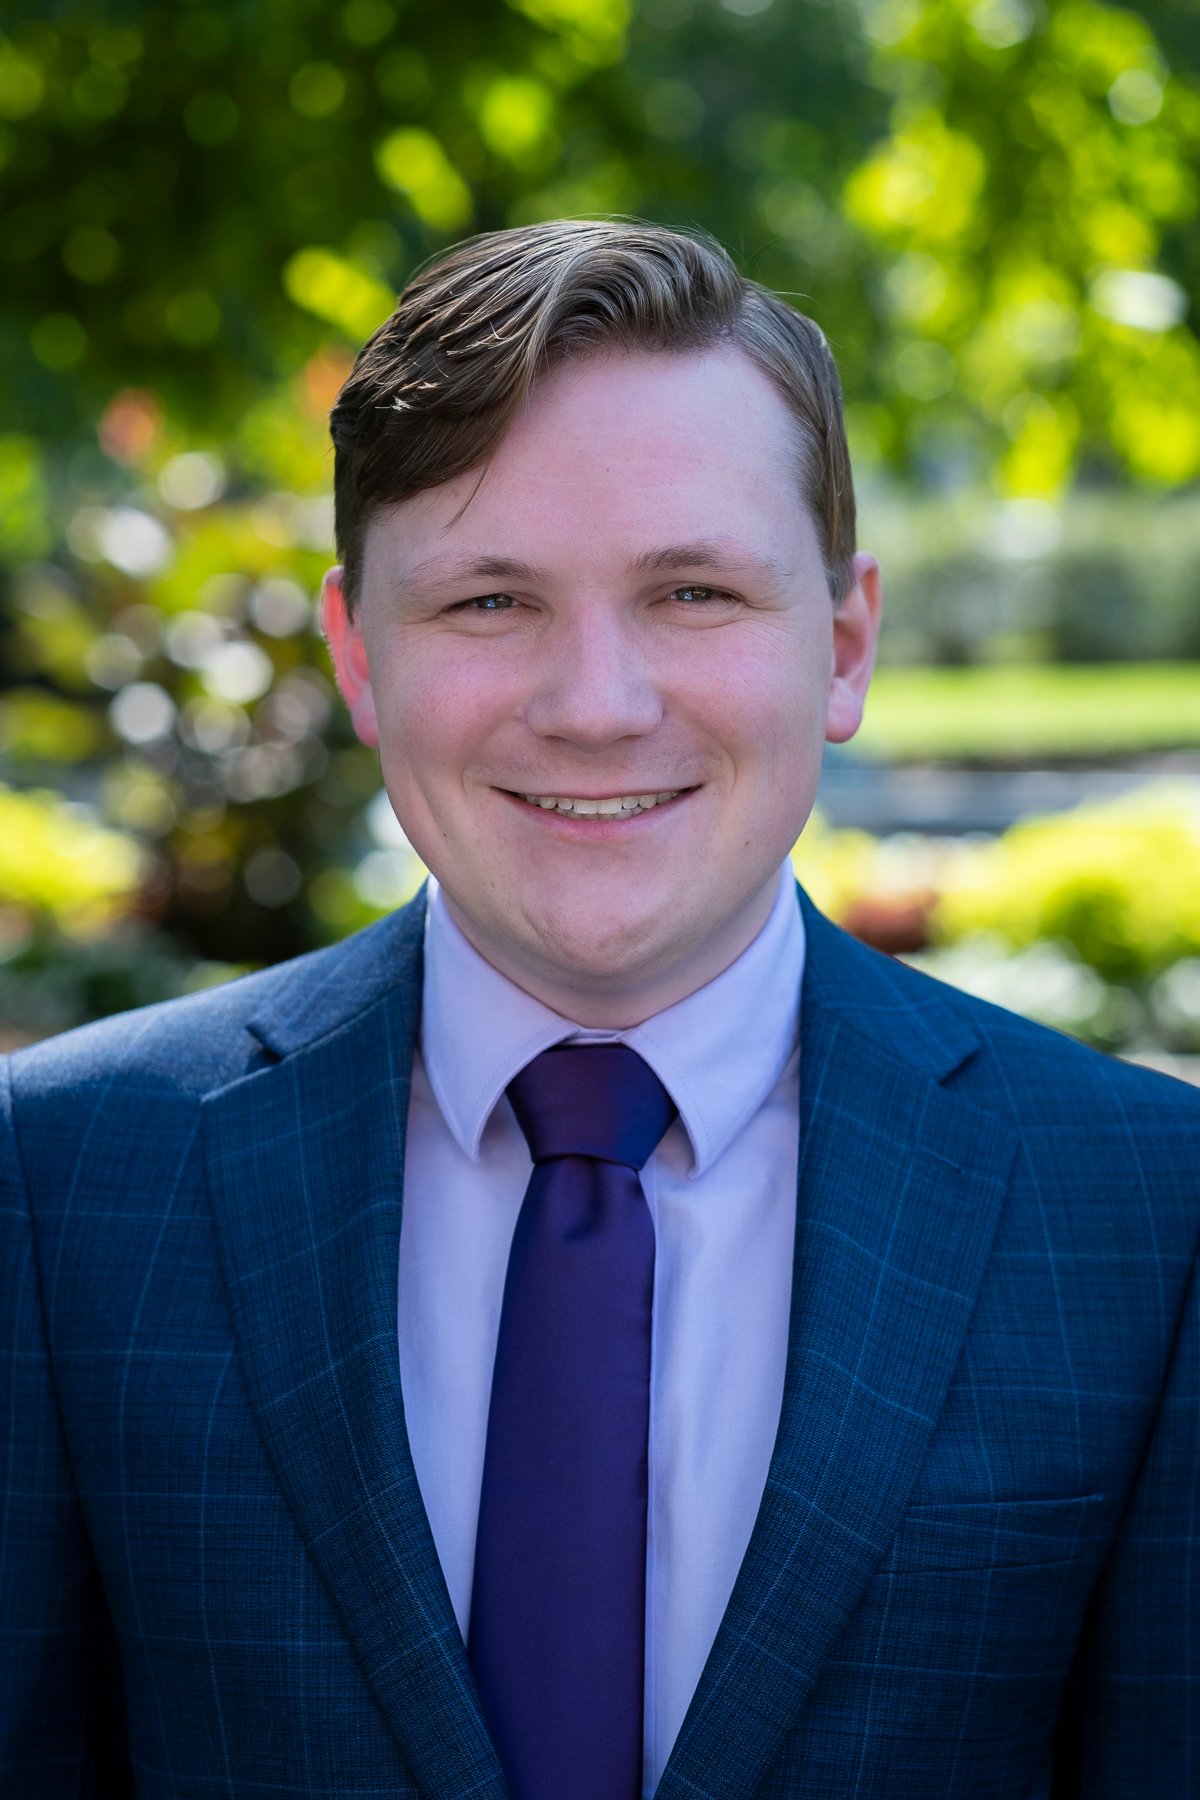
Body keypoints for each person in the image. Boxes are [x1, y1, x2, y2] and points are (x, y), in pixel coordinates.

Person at [2, 220, 1197, 1800]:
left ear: (842, 643)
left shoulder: (1148, 1207)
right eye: (490, 603)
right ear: (358, 654)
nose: (595, 703)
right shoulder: (66, 1177)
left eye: (693, 590)